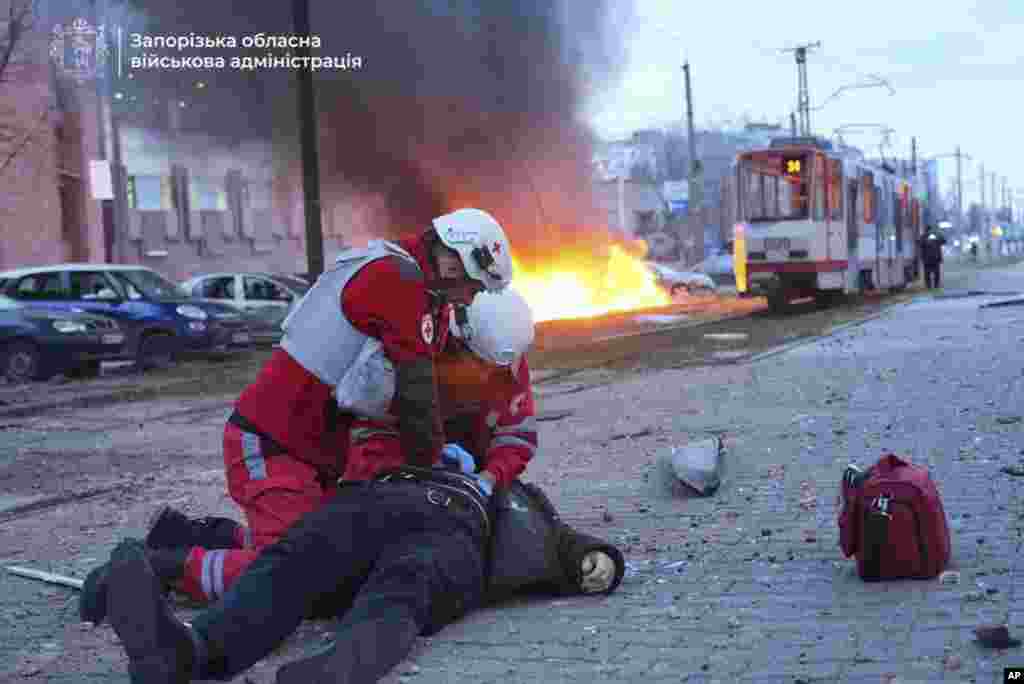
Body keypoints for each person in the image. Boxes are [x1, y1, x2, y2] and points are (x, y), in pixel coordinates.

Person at [96, 288, 625, 684]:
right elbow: (368, 428)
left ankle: (293, 660)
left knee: (352, 574)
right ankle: (186, 652)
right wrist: (413, 459)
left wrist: (593, 556)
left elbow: (557, 530)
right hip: (387, 494)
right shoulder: (411, 350)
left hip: (445, 514)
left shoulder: (509, 489)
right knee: (304, 561)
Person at [79, 208, 514, 624]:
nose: (470, 299)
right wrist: (434, 468)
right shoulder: (400, 281)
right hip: (272, 443)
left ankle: (196, 536)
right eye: (474, 289)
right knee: (293, 576)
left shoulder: (413, 287)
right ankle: (161, 569)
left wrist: (425, 460)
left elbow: (396, 404)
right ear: (456, 264)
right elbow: (416, 397)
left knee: (335, 558)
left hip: (312, 455)